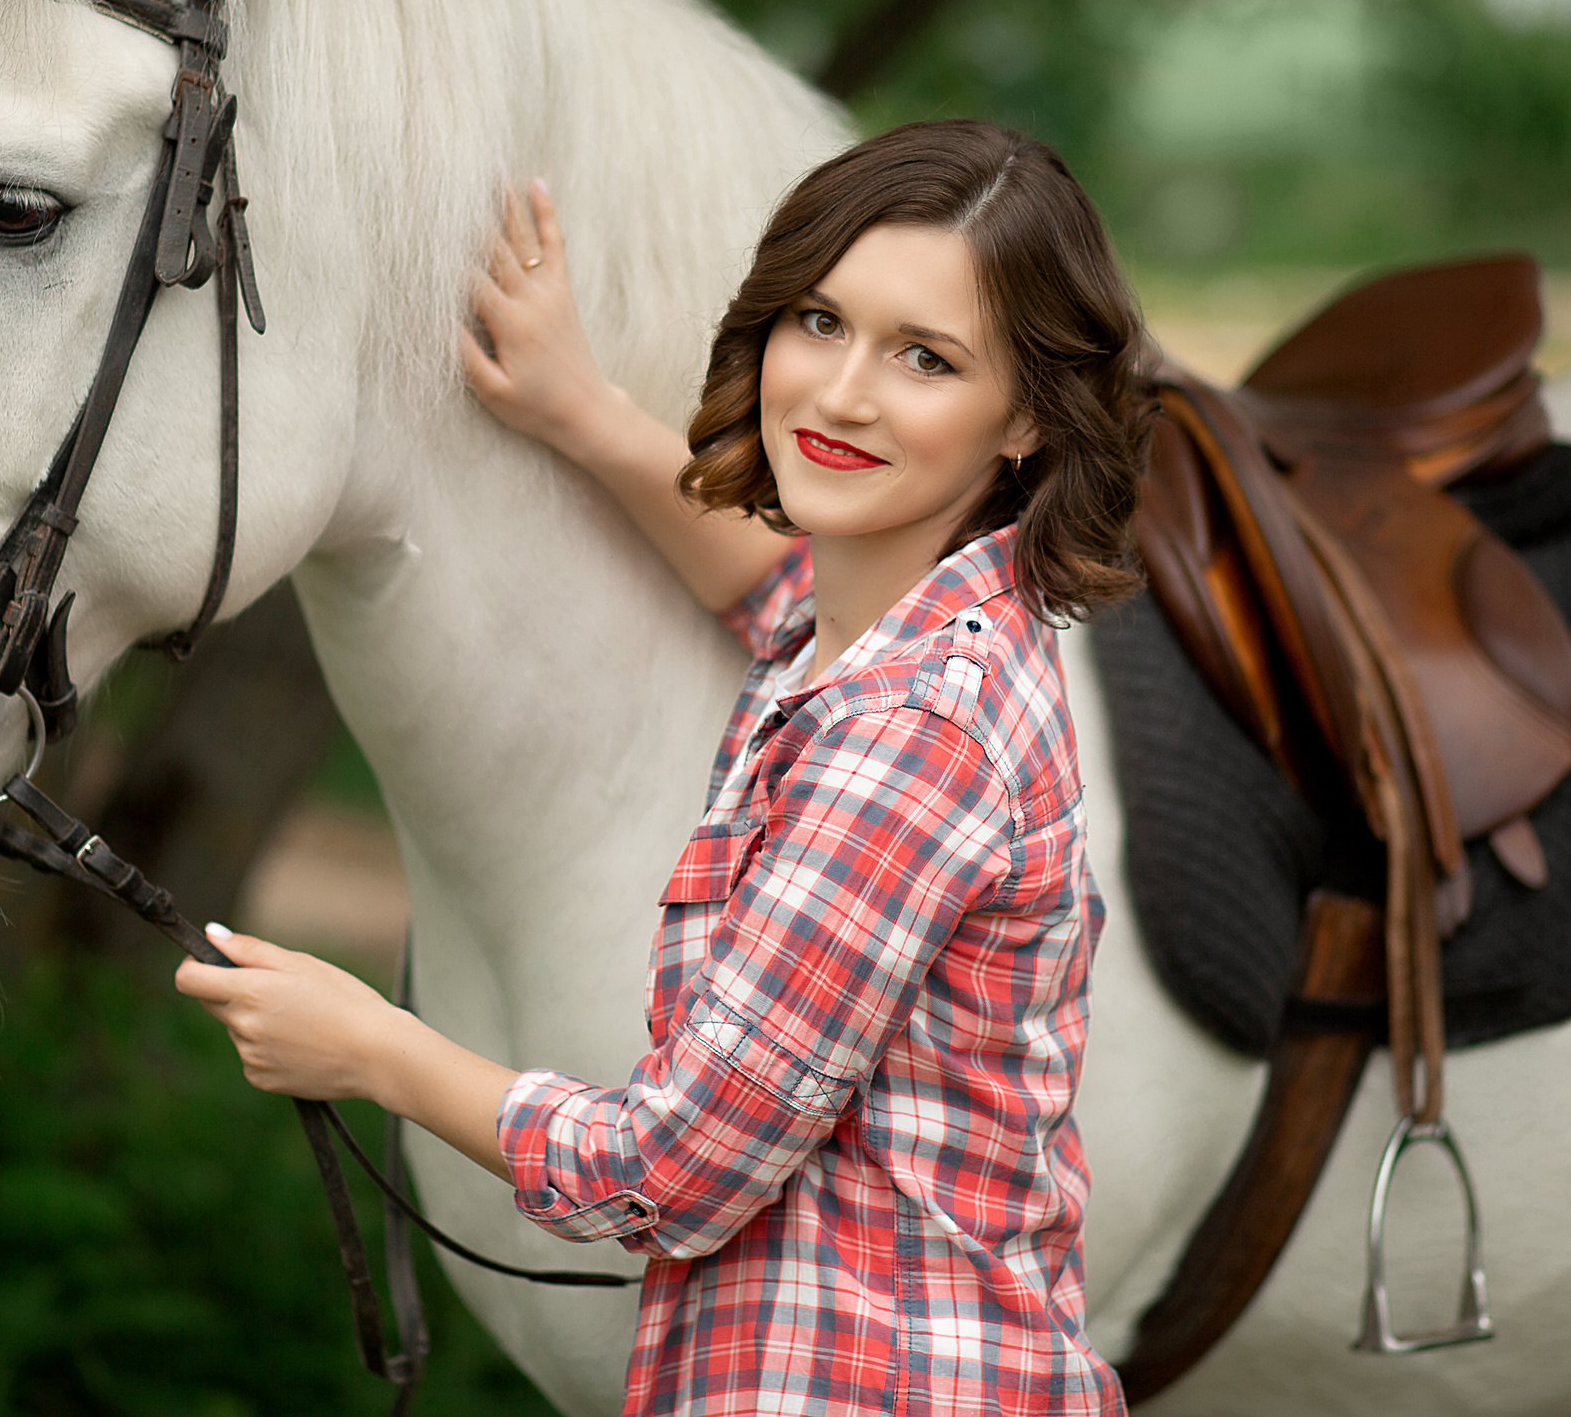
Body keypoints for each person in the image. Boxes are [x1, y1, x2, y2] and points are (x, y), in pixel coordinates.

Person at [177, 120, 1151, 1415]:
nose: (842, 393)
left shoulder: (909, 735)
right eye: (821, 322)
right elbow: (775, 592)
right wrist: (580, 409)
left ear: (1026, 415)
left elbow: (673, 1171)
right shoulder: (918, 636)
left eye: (925, 358)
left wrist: (370, 1049)